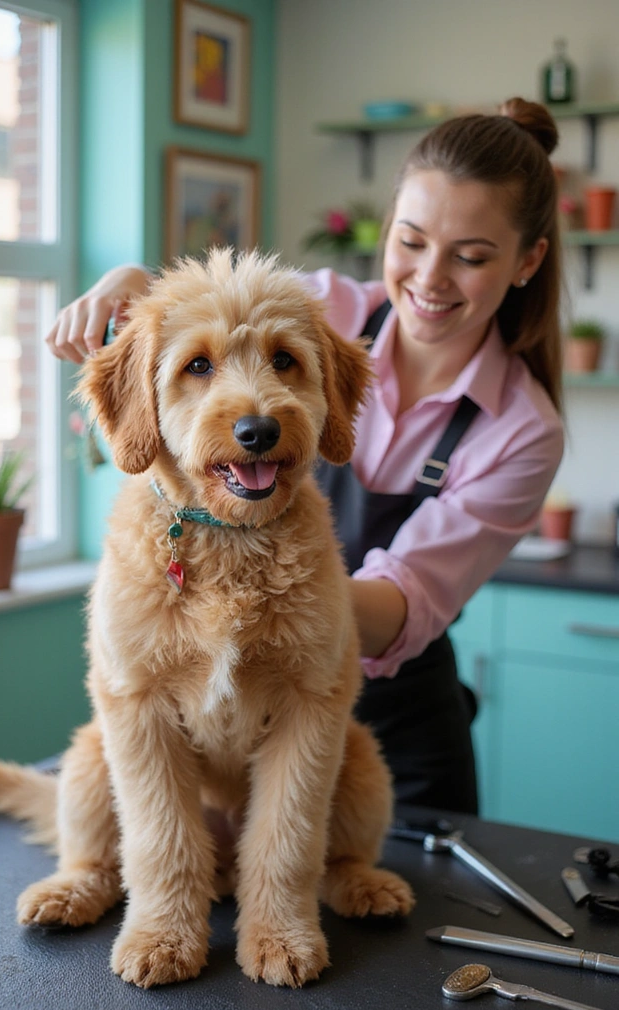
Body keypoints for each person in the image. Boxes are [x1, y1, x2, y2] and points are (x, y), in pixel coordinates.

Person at [46, 97, 564, 815]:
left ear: (527, 260)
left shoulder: (522, 429)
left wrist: (250, 597)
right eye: (411, 241)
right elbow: (205, 315)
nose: (429, 278)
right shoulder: (319, 310)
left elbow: (407, 601)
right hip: (227, 731)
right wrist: (128, 281)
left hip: (394, 724)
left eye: (470, 257)